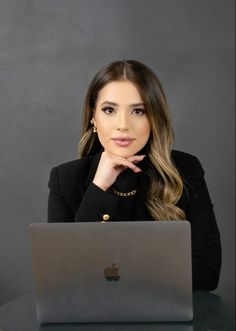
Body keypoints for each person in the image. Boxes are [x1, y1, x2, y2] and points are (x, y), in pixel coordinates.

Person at [47, 59, 221, 291]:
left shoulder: (186, 169)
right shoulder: (65, 179)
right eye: (109, 110)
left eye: (138, 111)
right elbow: (63, 278)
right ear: (93, 117)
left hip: (165, 319)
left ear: (154, 119)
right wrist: (99, 187)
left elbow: (207, 274)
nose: (123, 125)